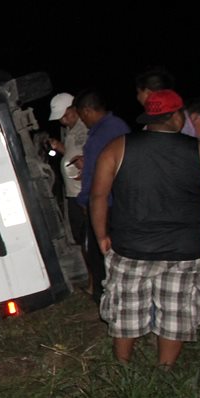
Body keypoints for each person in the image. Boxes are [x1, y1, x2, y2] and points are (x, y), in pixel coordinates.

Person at [90, 90, 200, 366]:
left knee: (126, 308)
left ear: (148, 116)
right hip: (183, 250)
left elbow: (98, 195)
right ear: (177, 116)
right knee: (176, 309)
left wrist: (101, 234)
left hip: (130, 248)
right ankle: (165, 369)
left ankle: (123, 365)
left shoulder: (118, 147)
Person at [74, 90, 130, 303]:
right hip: (117, 200)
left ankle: (105, 297)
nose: (82, 120)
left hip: (106, 203)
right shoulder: (117, 127)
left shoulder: (103, 133)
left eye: (82, 114)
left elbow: (97, 176)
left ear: (87, 110)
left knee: (101, 251)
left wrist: (85, 199)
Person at [48, 91, 89, 265]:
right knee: (80, 236)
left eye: (66, 115)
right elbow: (73, 155)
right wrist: (60, 148)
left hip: (84, 192)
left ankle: (95, 280)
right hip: (72, 194)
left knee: (89, 237)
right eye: (61, 118)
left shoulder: (85, 127)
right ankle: (91, 279)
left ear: (75, 109)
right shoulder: (68, 131)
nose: (63, 120)